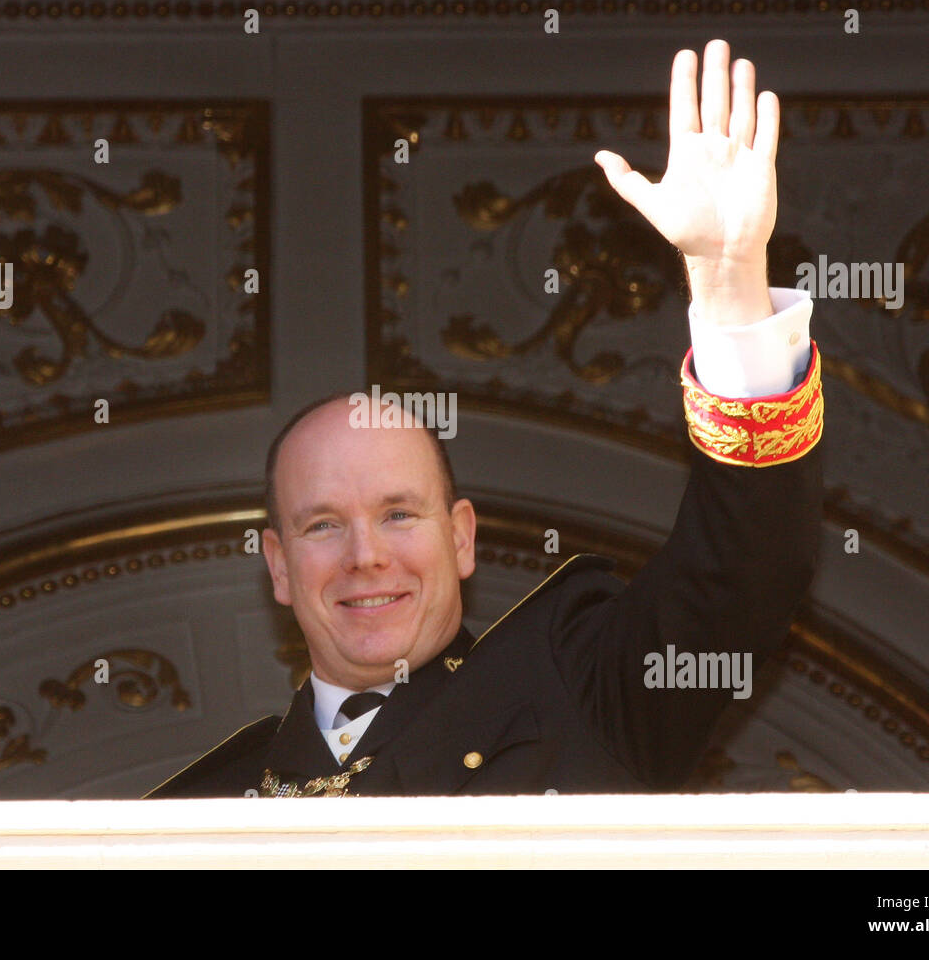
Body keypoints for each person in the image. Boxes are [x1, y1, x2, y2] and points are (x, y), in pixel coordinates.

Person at [144, 39, 824, 798]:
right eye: (322, 525)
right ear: (276, 563)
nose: (366, 555)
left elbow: (741, 573)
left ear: (461, 534)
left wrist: (729, 283)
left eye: (399, 513)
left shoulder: (578, 684)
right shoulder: (192, 812)